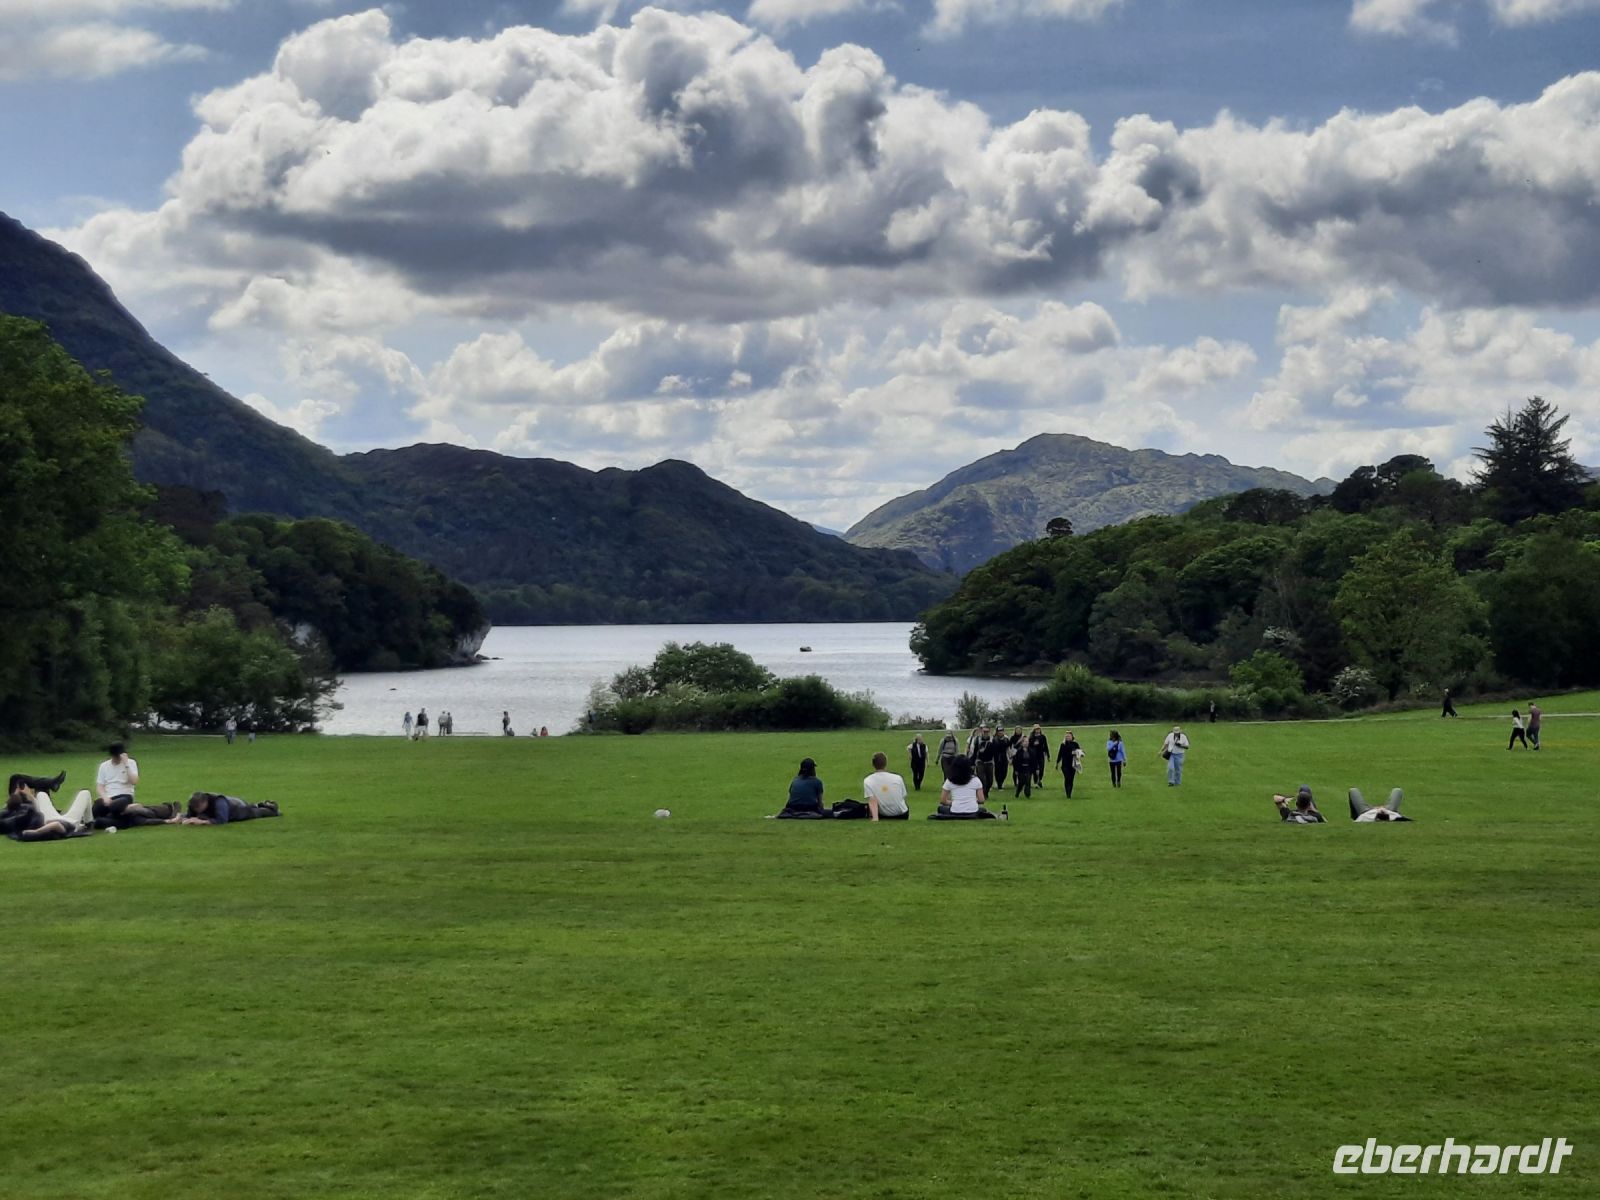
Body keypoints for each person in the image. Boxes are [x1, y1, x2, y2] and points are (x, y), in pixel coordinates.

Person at [3, 791, 95, 840]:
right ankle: (88, 823)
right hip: (70, 821)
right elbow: (56, 825)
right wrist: (36, 831)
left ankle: (87, 823)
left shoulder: (38, 823)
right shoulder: (68, 829)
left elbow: (53, 824)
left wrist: (30, 796)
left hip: (48, 818)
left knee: (41, 794)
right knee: (85, 793)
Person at [928, 754, 996, 820]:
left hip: (955, 810)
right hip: (972, 811)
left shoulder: (950, 780)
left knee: (940, 808)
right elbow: (981, 800)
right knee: (982, 809)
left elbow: (943, 800)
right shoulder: (976, 780)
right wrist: (972, 801)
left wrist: (953, 803)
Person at [176, 792, 281, 825]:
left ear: (205, 802)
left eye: (198, 807)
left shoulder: (218, 802)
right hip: (229, 805)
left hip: (237, 808)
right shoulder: (194, 804)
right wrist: (179, 817)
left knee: (257, 813)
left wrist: (203, 822)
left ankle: (270, 806)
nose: (196, 810)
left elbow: (222, 820)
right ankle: (259, 804)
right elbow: (189, 816)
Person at [861, 752, 910, 821]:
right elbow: (903, 795)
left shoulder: (868, 780)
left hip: (884, 815)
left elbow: (872, 800)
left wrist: (875, 818)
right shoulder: (898, 778)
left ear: (873, 764)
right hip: (902, 814)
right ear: (886, 763)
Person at [96, 742, 140, 809]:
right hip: (109, 796)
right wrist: (105, 798)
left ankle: (116, 811)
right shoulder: (104, 766)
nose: (118, 758)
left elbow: (134, 781)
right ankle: (125, 810)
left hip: (125, 795)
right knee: (97, 805)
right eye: (116, 756)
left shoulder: (131, 763)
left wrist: (126, 765)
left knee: (120, 803)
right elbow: (100, 786)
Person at [1348, 787, 1412, 822]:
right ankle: (1386, 811)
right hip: (1389, 810)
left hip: (1365, 811)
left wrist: (1376, 810)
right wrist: (1385, 810)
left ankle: (1354, 816)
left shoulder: (1365, 817)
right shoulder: (1393, 816)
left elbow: (1358, 820)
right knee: (1397, 790)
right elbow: (1405, 819)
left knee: (1353, 790)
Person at [1056, 731, 1083, 797]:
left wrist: (1078, 753)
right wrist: (1057, 763)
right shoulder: (1063, 745)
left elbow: (1080, 752)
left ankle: (1070, 792)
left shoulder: (1075, 744)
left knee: (1071, 779)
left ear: (1072, 737)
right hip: (1065, 765)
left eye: (1069, 736)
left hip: (1073, 764)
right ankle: (1067, 792)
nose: (1067, 737)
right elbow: (1060, 754)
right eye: (1066, 736)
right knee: (1067, 778)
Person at [969, 726, 995, 793]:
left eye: (987, 732)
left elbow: (996, 751)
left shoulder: (992, 740)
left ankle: (986, 792)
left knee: (990, 781)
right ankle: (982, 794)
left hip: (989, 762)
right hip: (980, 762)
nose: (985, 733)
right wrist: (972, 763)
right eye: (984, 731)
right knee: (982, 779)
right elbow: (974, 752)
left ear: (989, 732)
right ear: (981, 732)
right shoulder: (977, 739)